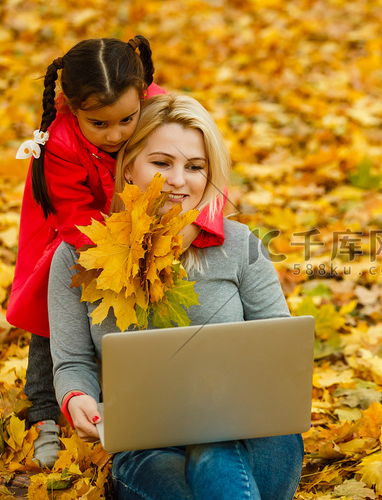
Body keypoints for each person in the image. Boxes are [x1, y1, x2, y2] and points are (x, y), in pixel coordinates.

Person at [47, 93, 304, 499]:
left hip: (253, 435)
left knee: (215, 442)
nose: (179, 180)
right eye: (162, 163)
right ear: (129, 166)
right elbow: (73, 362)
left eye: (195, 167)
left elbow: (282, 352)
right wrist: (77, 397)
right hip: (147, 443)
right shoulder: (78, 254)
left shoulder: (241, 246)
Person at [8, 37, 226, 468]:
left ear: (143, 95)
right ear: (72, 107)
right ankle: (45, 412)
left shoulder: (165, 113)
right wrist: (128, 248)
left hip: (149, 222)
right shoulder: (61, 144)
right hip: (79, 231)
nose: (116, 135)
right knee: (53, 306)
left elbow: (209, 173)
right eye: (99, 124)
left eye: (127, 120)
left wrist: (199, 222)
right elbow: (75, 218)